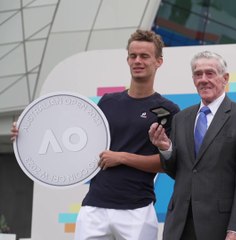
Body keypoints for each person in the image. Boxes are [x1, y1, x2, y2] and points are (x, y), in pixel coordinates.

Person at [11, 29, 180, 240]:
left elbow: (168, 164)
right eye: (133, 55)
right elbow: (70, 136)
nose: (137, 61)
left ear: (158, 62)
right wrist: (27, 131)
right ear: (127, 59)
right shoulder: (108, 102)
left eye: (144, 56)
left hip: (137, 208)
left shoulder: (167, 110)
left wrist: (122, 157)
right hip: (94, 206)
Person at [148, 51, 236, 240]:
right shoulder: (181, 119)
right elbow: (179, 171)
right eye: (198, 74)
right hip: (179, 225)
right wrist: (166, 148)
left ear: (225, 78)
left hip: (220, 226)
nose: (203, 79)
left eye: (210, 73)